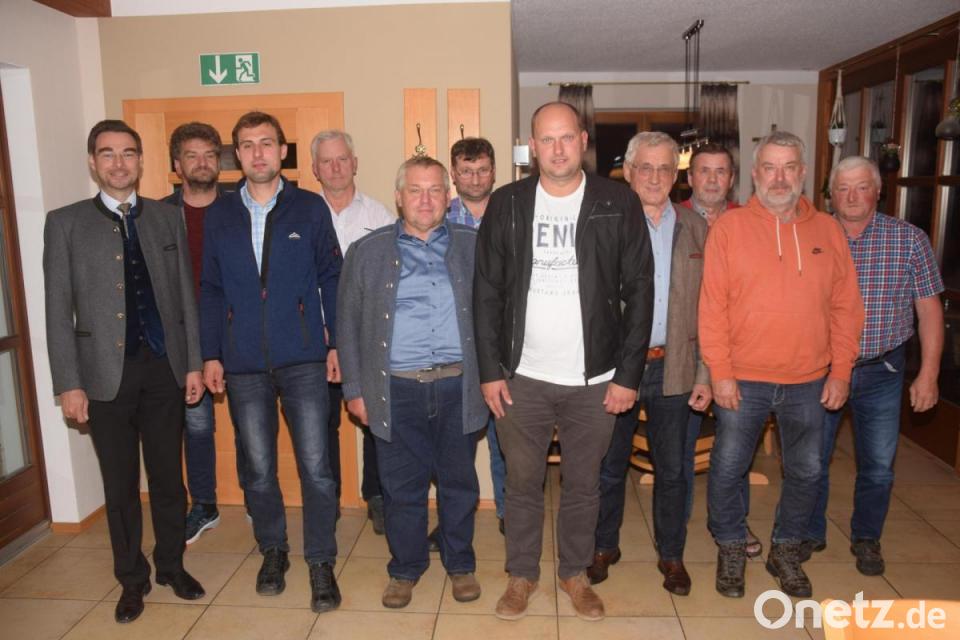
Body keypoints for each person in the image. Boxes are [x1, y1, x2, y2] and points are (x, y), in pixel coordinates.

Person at [474, 102, 653, 621]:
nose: (557, 149)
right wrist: (489, 370)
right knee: (522, 483)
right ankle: (521, 574)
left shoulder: (618, 201)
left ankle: (575, 573)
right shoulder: (507, 204)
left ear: (583, 141)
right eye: (546, 140)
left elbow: (641, 292)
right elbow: (485, 294)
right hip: (521, 378)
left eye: (566, 138)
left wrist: (627, 375)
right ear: (533, 147)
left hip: (595, 380)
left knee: (584, 484)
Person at [43, 119, 206, 623]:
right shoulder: (65, 223)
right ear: (93, 162)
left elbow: (184, 297)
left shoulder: (166, 218)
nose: (119, 163)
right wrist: (69, 383)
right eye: (108, 154)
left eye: (128, 153)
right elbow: (57, 310)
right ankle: (132, 579)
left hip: (163, 371)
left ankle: (171, 566)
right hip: (102, 378)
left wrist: (192, 364)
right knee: (119, 487)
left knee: (168, 479)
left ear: (140, 160)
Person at [699, 130, 864, 599]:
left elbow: (847, 307)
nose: (779, 178)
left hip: (808, 380)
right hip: (743, 379)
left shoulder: (827, 230)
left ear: (803, 173)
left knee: (808, 471)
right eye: (769, 167)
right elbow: (712, 308)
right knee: (728, 468)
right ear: (754, 174)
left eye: (789, 167)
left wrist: (841, 371)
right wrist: (720, 372)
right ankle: (731, 544)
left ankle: (786, 550)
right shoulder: (729, 229)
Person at [200, 111, 343, 613]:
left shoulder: (309, 207)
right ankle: (274, 550)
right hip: (242, 364)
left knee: (317, 468)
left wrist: (337, 343)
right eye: (247, 145)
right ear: (236, 154)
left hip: (303, 358)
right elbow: (210, 288)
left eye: (266, 143)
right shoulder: (220, 214)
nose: (257, 153)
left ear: (283, 151)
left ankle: (320, 560)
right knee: (258, 469)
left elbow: (332, 276)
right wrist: (211, 353)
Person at [338, 156, 488, 609]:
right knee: (401, 488)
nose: (426, 200)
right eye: (416, 190)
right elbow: (347, 325)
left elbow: (498, 317)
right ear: (399, 197)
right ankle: (405, 569)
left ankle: (460, 564)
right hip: (395, 391)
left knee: (459, 485)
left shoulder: (474, 246)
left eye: (435, 190)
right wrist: (355, 391)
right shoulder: (367, 251)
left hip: (458, 387)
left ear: (448, 196)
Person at [804, 156, 944, 575]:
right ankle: (810, 531)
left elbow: (929, 310)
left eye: (862, 187)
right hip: (821, 369)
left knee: (878, 466)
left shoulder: (909, 239)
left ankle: (867, 537)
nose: (852, 196)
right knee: (811, 460)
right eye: (843, 188)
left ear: (878, 191)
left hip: (883, 370)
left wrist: (929, 373)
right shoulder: (812, 234)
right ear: (831, 193)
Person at [587, 132, 709, 596]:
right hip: (618, 369)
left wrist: (706, 372)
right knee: (608, 465)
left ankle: (672, 555)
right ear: (629, 172)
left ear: (676, 175)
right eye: (645, 168)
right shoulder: (605, 223)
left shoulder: (697, 228)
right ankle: (604, 547)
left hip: (676, 366)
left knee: (673, 470)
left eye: (664, 169)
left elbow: (713, 308)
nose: (655, 178)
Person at [679, 143, 762, 558]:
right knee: (679, 448)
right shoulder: (671, 218)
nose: (712, 179)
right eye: (704, 171)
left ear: (732, 179)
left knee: (735, 449)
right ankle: (674, 529)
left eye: (721, 171)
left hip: (736, 354)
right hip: (684, 351)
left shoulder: (751, 223)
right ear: (689, 177)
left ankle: (734, 526)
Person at [311, 129, 395, 534]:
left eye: (342, 159)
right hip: (315, 340)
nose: (335, 168)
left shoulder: (379, 217)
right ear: (315, 169)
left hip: (368, 339)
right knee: (320, 423)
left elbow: (390, 280)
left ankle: (376, 495)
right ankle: (326, 500)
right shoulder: (303, 215)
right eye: (326, 161)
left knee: (376, 419)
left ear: (355, 163)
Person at [163, 121, 243, 545]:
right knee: (196, 425)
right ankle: (205, 504)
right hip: (185, 340)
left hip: (238, 331)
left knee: (251, 420)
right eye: (192, 156)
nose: (202, 163)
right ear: (177, 165)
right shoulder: (159, 215)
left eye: (210, 155)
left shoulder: (239, 209)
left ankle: (257, 498)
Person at [426, 136, 505, 552]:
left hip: (503, 350)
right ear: (454, 176)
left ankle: (510, 517)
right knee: (453, 449)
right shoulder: (436, 219)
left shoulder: (511, 214)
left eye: (482, 170)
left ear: (494, 172)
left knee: (505, 444)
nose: (475, 178)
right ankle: (451, 525)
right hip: (454, 350)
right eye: (466, 171)